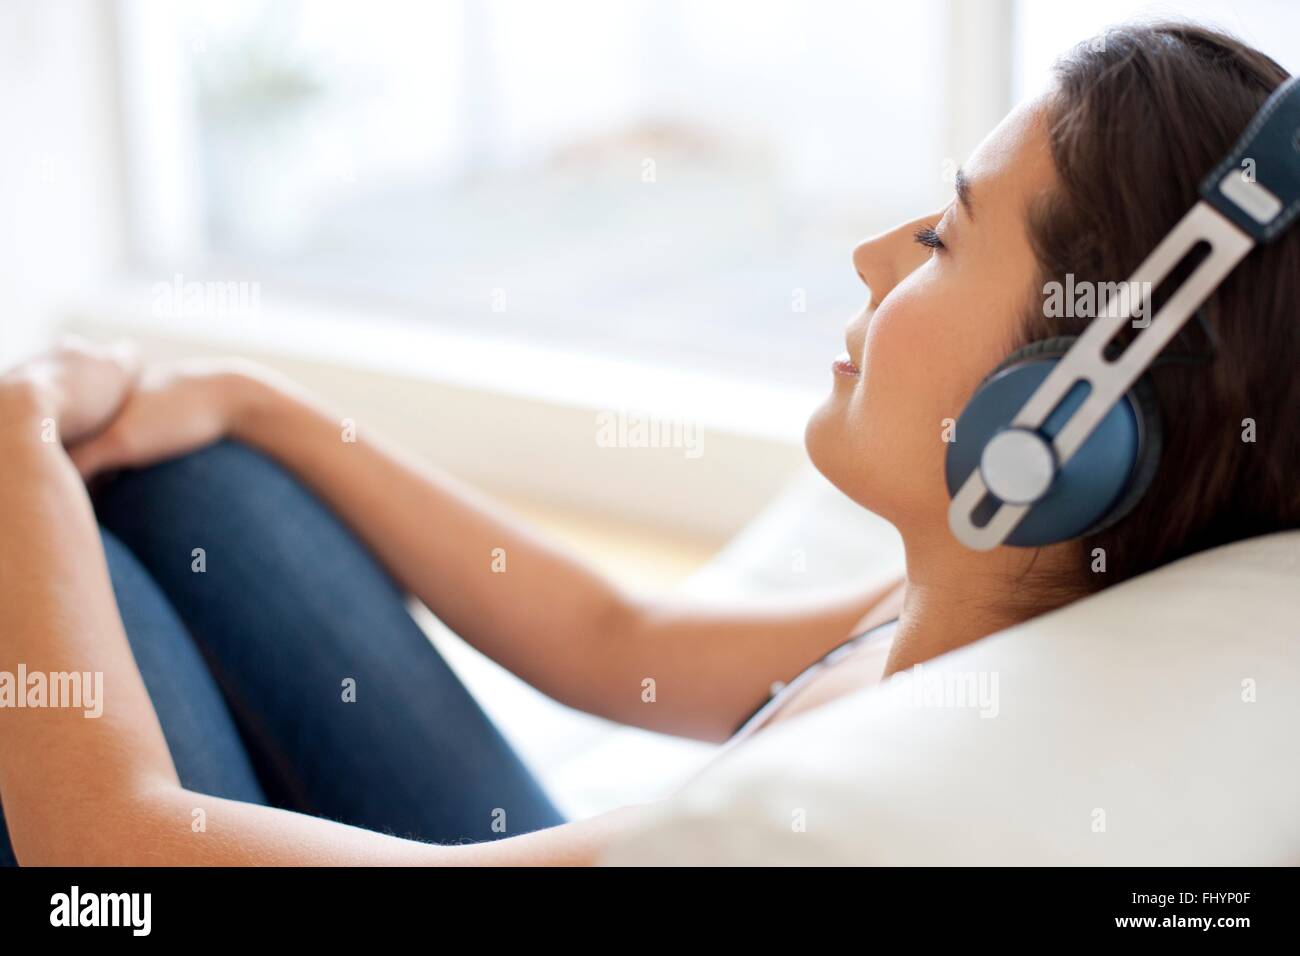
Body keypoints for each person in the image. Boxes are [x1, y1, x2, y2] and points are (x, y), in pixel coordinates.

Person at [1, 22, 1296, 865]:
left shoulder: (831, 824)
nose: (866, 257)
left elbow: (106, 844)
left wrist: (14, 446)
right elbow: (622, 645)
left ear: (1055, 420)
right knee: (195, 469)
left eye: (942, 240)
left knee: (45, 548)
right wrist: (255, 397)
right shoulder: (987, 600)